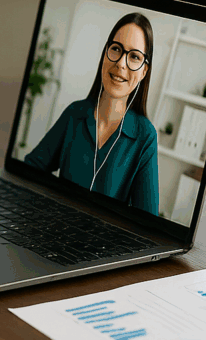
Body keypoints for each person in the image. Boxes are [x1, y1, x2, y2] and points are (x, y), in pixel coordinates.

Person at [24, 13, 159, 215]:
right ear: (105, 53)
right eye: (116, 49)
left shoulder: (145, 136)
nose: (121, 63)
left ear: (144, 71)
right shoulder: (75, 114)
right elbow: (29, 170)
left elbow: (148, 223)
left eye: (134, 57)